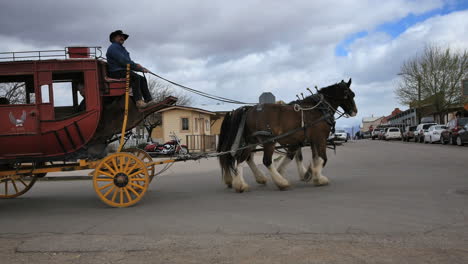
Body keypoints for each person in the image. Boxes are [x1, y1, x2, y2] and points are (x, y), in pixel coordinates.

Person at [106, 30, 156, 109]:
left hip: (123, 71)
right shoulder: (113, 48)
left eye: (123, 37)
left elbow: (128, 62)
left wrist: (138, 66)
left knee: (141, 78)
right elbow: (124, 61)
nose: (122, 38)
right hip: (116, 72)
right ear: (113, 38)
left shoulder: (121, 48)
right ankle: (138, 101)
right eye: (120, 36)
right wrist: (139, 68)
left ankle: (149, 100)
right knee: (135, 77)